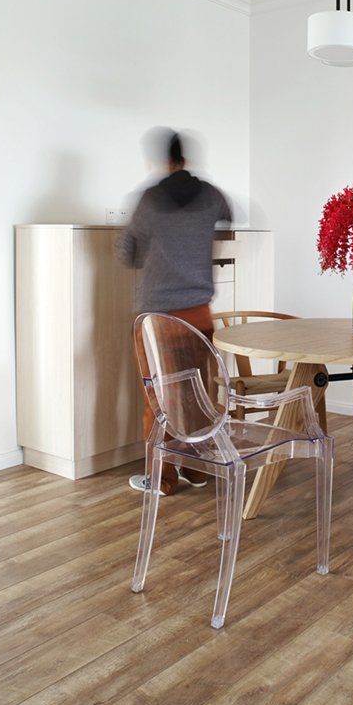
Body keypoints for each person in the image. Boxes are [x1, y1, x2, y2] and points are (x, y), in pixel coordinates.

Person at [116, 129, 232, 496]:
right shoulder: (211, 195)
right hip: (198, 314)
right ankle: (196, 470)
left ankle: (162, 479)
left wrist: (152, 253)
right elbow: (228, 217)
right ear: (186, 160)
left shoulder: (151, 198)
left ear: (166, 162)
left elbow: (126, 252)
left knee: (159, 398)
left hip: (158, 317)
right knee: (196, 396)